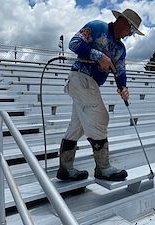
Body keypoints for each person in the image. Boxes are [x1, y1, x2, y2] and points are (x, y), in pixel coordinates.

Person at [56, 9, 144, 182]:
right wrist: (100, 57)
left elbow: (120, 71)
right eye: (131, 29)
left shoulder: (120, 49)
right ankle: (103, 168)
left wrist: (123, 87)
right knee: (100, 118)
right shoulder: (97, 27)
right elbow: (74, 43)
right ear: (122, 21)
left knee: (77, 127)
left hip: (91, 83)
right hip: (81, 77)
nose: (130, 34)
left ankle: (65, 169)